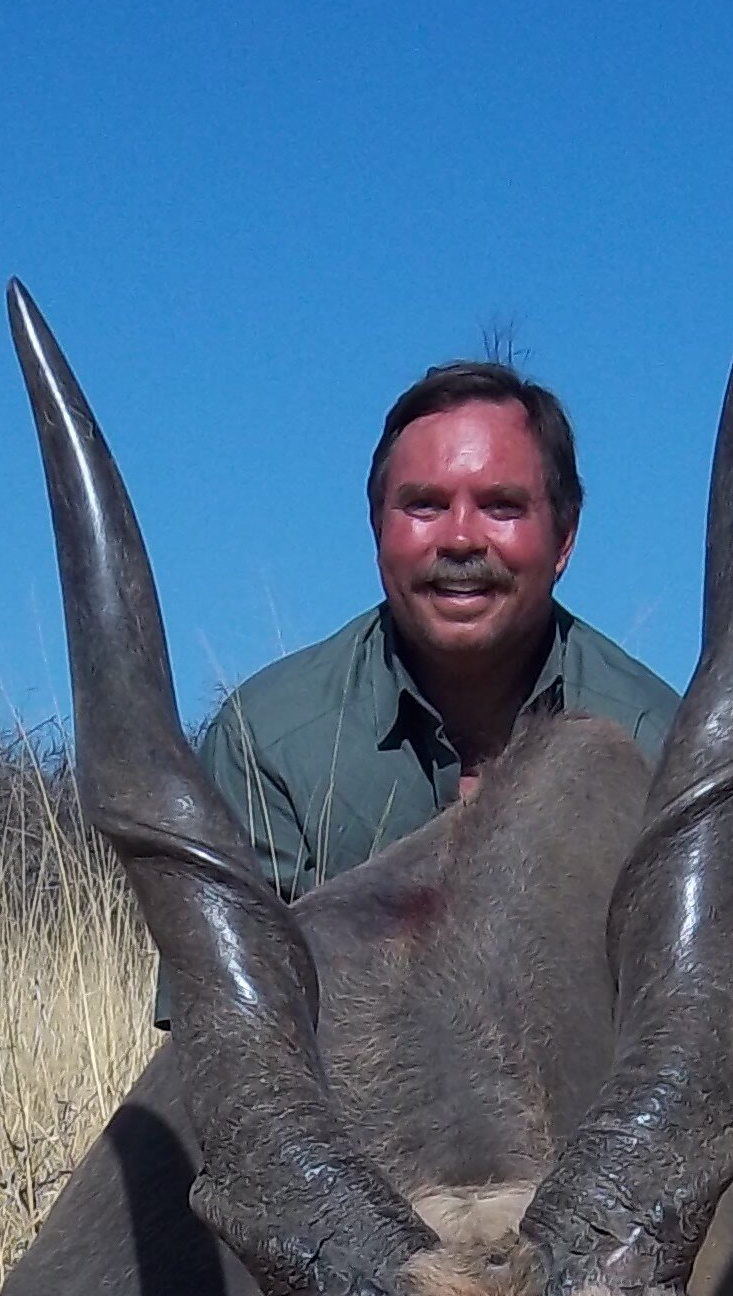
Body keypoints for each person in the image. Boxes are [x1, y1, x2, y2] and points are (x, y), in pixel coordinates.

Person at [196, 360, 681, 897]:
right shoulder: (265, 744)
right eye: (425, 505)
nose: (460, 539)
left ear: (564, 537)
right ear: (378, 527)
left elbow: (725, 975)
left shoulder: (661, 743)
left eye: (502, 506)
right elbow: (222, 976)